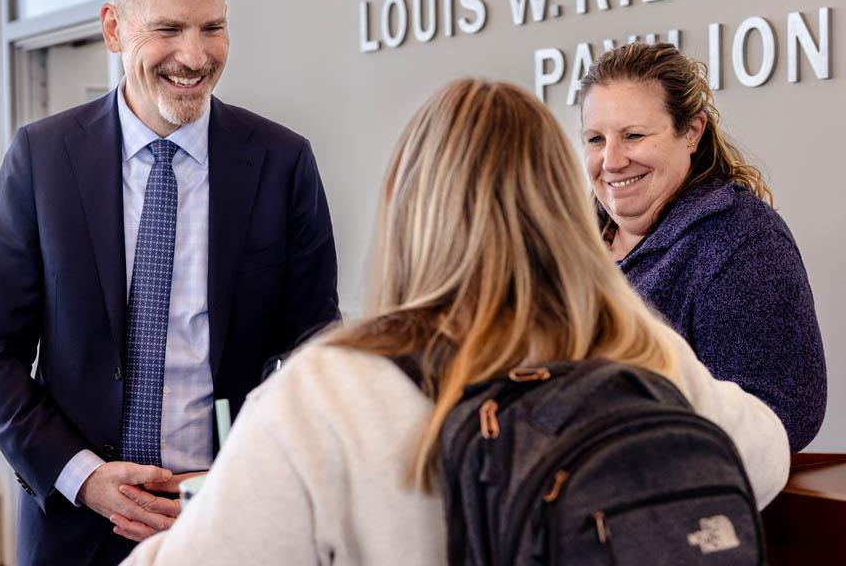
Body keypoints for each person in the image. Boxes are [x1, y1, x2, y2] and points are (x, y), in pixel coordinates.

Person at [121, 79, 789, 565]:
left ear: (410, 210)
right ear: (562, 206)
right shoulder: (640, 351)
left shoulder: (329, 392)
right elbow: (766, 454)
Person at [0, 0, 339, 566]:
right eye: (168, 29)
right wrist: (85, 477)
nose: (194, 55)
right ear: (113, 27)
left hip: (234, 523)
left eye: (212, 27)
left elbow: (315, 348)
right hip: (73, 529)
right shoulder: (41, 159)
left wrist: (262, 473)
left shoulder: (282, 160)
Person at [579, 42, 825, 452]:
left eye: (633, 135)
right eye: (595, 139)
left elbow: (783, 415)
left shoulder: (742, 243)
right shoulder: (569, 244)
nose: (612, 160)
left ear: (691, 132)